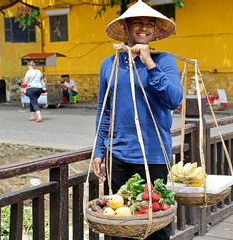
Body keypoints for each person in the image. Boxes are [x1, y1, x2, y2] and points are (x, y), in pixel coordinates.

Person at [92, 1, 182, 239]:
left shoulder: (164, 61)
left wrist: (149, 64)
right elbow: (104, 110)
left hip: (153, 156)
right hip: (118, 156)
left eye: (150, 24)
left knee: (154, 226)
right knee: (117, 224)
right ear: (127, 27)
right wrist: (98, 150)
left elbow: (174, 99)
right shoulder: (109, 64)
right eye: (138, 23)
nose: (144, 28)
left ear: (155, 30)